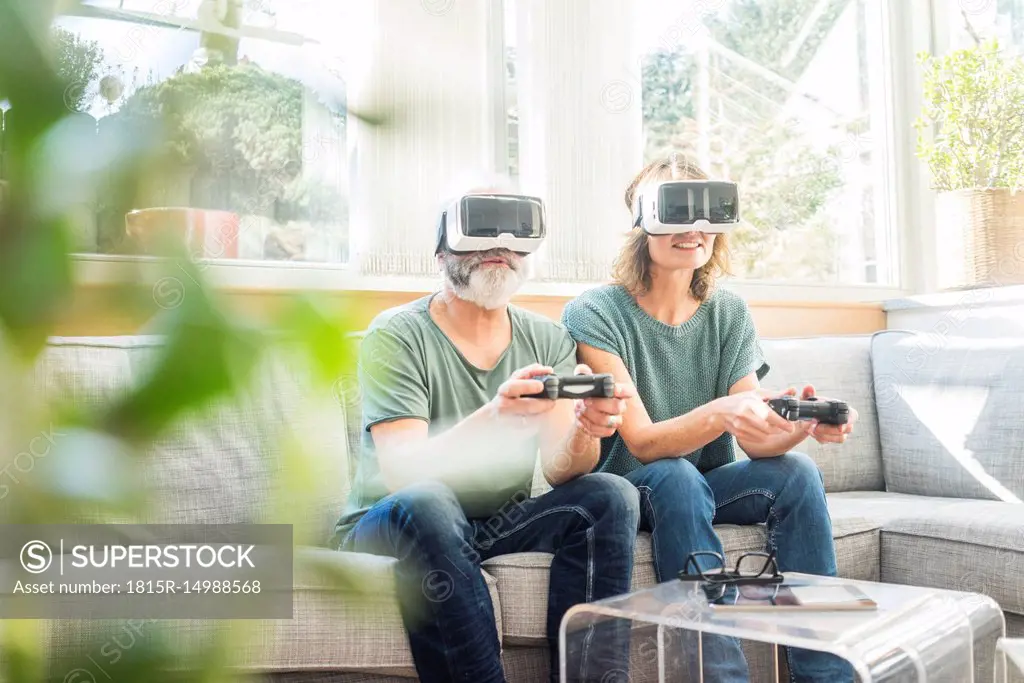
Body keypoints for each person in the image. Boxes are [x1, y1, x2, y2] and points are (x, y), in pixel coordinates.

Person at [561, 154, 859, 683]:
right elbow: (646, 444)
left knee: (796, 473)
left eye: (707, 213)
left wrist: (797, 426)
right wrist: (722, 411)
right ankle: (720, 677)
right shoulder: (596, 311)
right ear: (642, 222)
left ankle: (825, 674)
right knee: (675, 474)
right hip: (634, 487)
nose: (693, 228)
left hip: (704, 483)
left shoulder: (729, 312)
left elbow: (757, 442)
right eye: (676, 211)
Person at [335, 186, 641, 683]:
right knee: (429, 501)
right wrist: (494, 415)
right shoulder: (396, 334)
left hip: (491, 525)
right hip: (392, 523)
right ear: (441, 256)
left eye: (512, 241)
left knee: (611, 493)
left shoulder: (546, 337)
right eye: (477, 236)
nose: (498, 245)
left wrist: (587, 427)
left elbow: (566, 468)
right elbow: (402, 473)